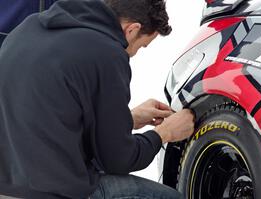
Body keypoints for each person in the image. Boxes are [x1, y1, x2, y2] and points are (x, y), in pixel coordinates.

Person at [0, 0, 195, 198]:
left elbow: (49, 116)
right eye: (142, 46)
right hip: (55, 192)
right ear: (132, 29)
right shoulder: (107, 53)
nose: (135, 53)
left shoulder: (29, 27)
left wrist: (127, 119)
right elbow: (119, 161)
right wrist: (164, 133)